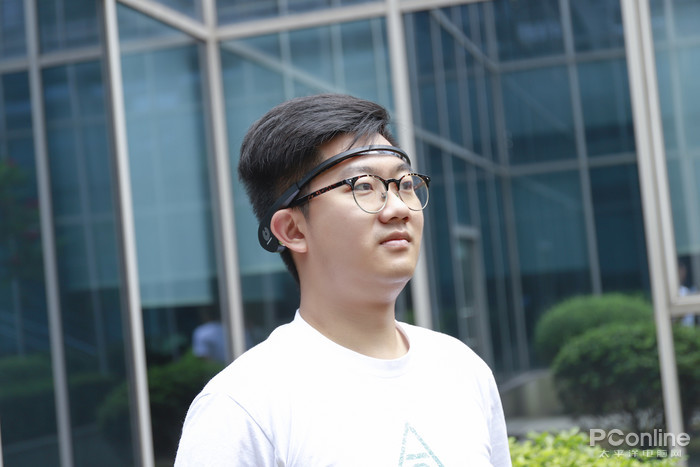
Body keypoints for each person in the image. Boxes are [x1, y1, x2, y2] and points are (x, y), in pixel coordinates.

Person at [175, 94, 511, 466]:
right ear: (292, 230)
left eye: (404, 184)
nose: (398, 208)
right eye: (363, 186)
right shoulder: (242, 407)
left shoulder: (461, 369)